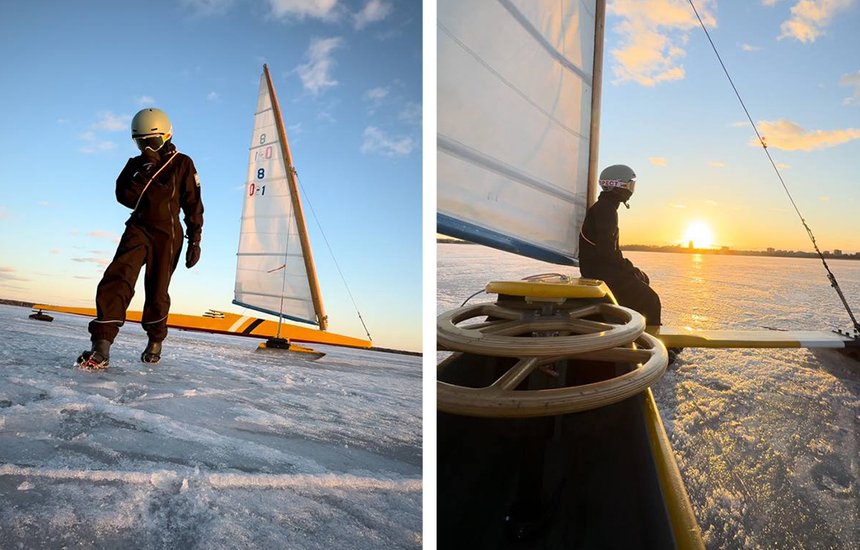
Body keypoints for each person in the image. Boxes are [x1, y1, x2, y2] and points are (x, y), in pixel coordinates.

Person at [76, 108, 203, 369]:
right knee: (117, 278)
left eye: (152, 142)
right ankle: (101, 345)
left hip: (167, 235)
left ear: (167, 136)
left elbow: (193, 202)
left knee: (157, 290)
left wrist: (195, 238)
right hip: (138, 229)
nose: (147, 147)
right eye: (141, 142)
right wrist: (144, 170)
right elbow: (125, 198)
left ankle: (155, 340)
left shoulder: (182, 163)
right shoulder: (135, 165)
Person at [578, 164, 662, 326]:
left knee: (642, 284)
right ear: (618, 185)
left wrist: (630, 270)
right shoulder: (606, 210)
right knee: (650, 299)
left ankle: (631, 331)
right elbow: (607, 254)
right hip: (602, 273)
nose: (631, 190)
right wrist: (631, 270)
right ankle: (651, 343)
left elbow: (608, 251)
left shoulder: (604, 208)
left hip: (598, 269)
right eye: (629, 185)